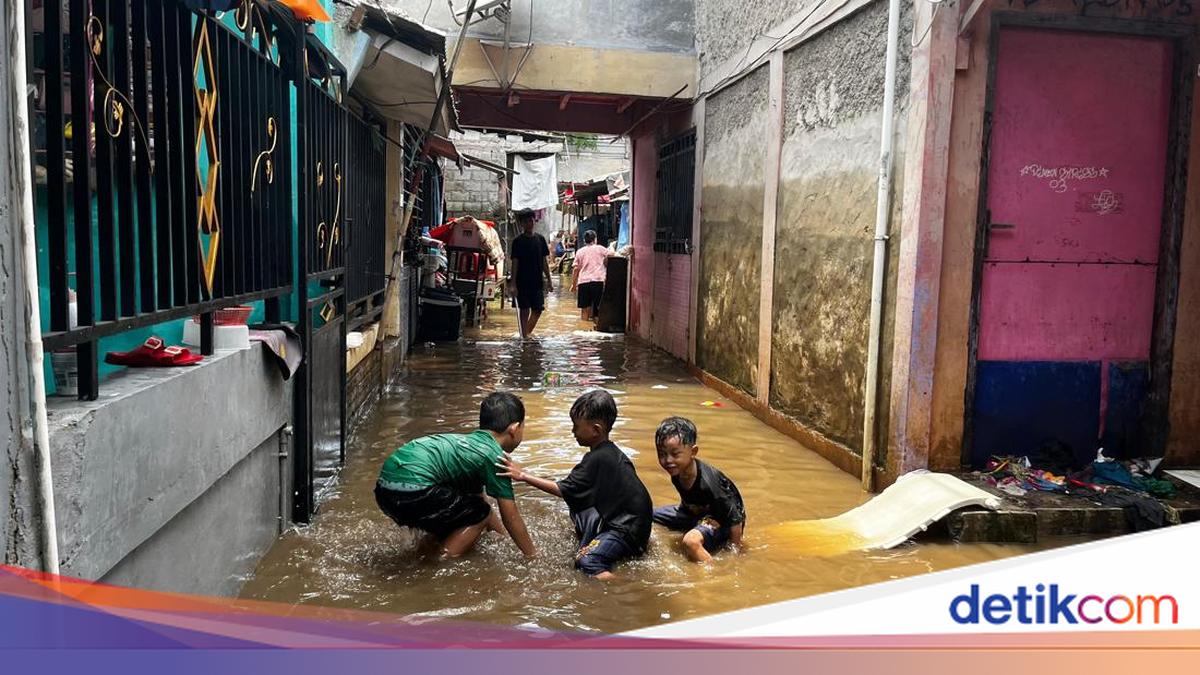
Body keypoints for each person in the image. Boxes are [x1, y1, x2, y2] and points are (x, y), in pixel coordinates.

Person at [497, 390, 652, 580]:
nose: (573, 431)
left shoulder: (597, 458)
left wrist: (522, 475)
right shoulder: (611, 453)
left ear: (596, 430)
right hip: (635, 523)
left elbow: (563, 490)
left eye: (576, 426)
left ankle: (631, 585)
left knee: (586, 561)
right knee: (578, 509)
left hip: (627, 531)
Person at [375, 392, 536, 558]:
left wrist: (501, 539)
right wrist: (532, 556)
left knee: (468, 513)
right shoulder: (495, 457)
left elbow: (479, 501)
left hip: (385, 488)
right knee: (479, 514)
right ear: (514, 429)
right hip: (416, 488)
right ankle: (438, 563)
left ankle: (425, 554)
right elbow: (510, 517)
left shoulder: (468, 447)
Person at [651, 416, 746, 563]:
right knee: (645, 513)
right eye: (662, 454)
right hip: (694, 514)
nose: (668, 460)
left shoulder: (710, 483)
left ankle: (713, 570)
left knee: (690, 541)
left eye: (675, 454)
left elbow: (736, 520)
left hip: (721, 522)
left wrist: (734, 551)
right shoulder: (677, 471)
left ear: (693, 451)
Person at [508, 210, 553, 337]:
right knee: (524, 310)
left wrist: (549, 280)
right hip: (522, 281)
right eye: (526, 222)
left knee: (538, 310)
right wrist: (513, 284)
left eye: (531, 221)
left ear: (534, 221)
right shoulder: (518, 241)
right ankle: (524, 338)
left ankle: (525, 334)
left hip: (537, 281)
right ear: (521, 224)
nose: (529, 224)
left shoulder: (540, 239)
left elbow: (544, 261)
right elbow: (515, 262)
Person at [570, 229, 611, 322]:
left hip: (583, 282)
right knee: (598, 309)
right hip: (598, 281)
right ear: (595, 239)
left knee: (584, 309)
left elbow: (575, 269)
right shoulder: (600, 249)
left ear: (584, 240)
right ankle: (596, 328)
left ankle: (583, 328)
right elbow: (612, 254)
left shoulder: (580, 251)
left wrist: (573, 284)